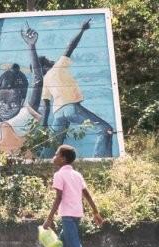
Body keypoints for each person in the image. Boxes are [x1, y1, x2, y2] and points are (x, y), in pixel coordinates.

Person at [39, 19, 113, 158]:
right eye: (48, 60)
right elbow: (70, 47)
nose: (51, 60)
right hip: (70, 108)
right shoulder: (57, 67)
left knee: (54, 142)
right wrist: (82, 30)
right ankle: (101, 160)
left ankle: (41, 163)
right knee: (105, 129)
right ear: (44, 66)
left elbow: (46, 105)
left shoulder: (46, 80)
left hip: (58, 113)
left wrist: (44, 126)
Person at [0, 27, 43, 160]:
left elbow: (38, 82)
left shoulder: (26, 116)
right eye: (3, 101)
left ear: (22, 102)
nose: (7, 106)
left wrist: (31, 46)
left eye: (14, 102)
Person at [42, 144, 103, 247]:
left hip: (67, 216)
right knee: (62, 244)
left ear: (63, 159)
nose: (54, 156)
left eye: (56, 154)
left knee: (74, 246)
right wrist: (95, 212)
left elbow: (58, 197)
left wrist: (49, 219)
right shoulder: (77, 175)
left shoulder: (59, 175)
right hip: (77, 215)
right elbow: (86, 194)